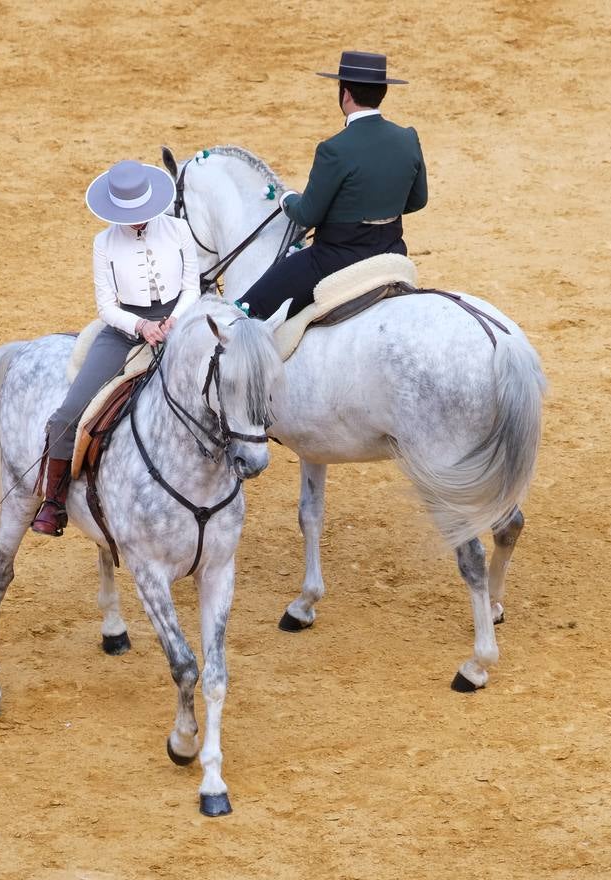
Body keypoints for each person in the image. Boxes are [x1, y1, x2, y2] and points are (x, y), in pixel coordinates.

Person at [31, 159, 200, 537]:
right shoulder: (103, 243)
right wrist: (141, 325)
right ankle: (54, 501)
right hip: (124, 330)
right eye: (129, 216)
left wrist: (173, 321)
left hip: (180, 322)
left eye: (142, 214)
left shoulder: (179, 229)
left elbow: (193, 286)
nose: (137, 222)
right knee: (68, 413)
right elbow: (107, 306)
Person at [237, 50, 427, 320]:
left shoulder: (333, 149)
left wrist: (286, 198)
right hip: (392, 252)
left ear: (346, 93)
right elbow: (418, 200)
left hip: (335, 261)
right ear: (382, 92)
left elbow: (307, 215)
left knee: (248, 310)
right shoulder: (408, 138)